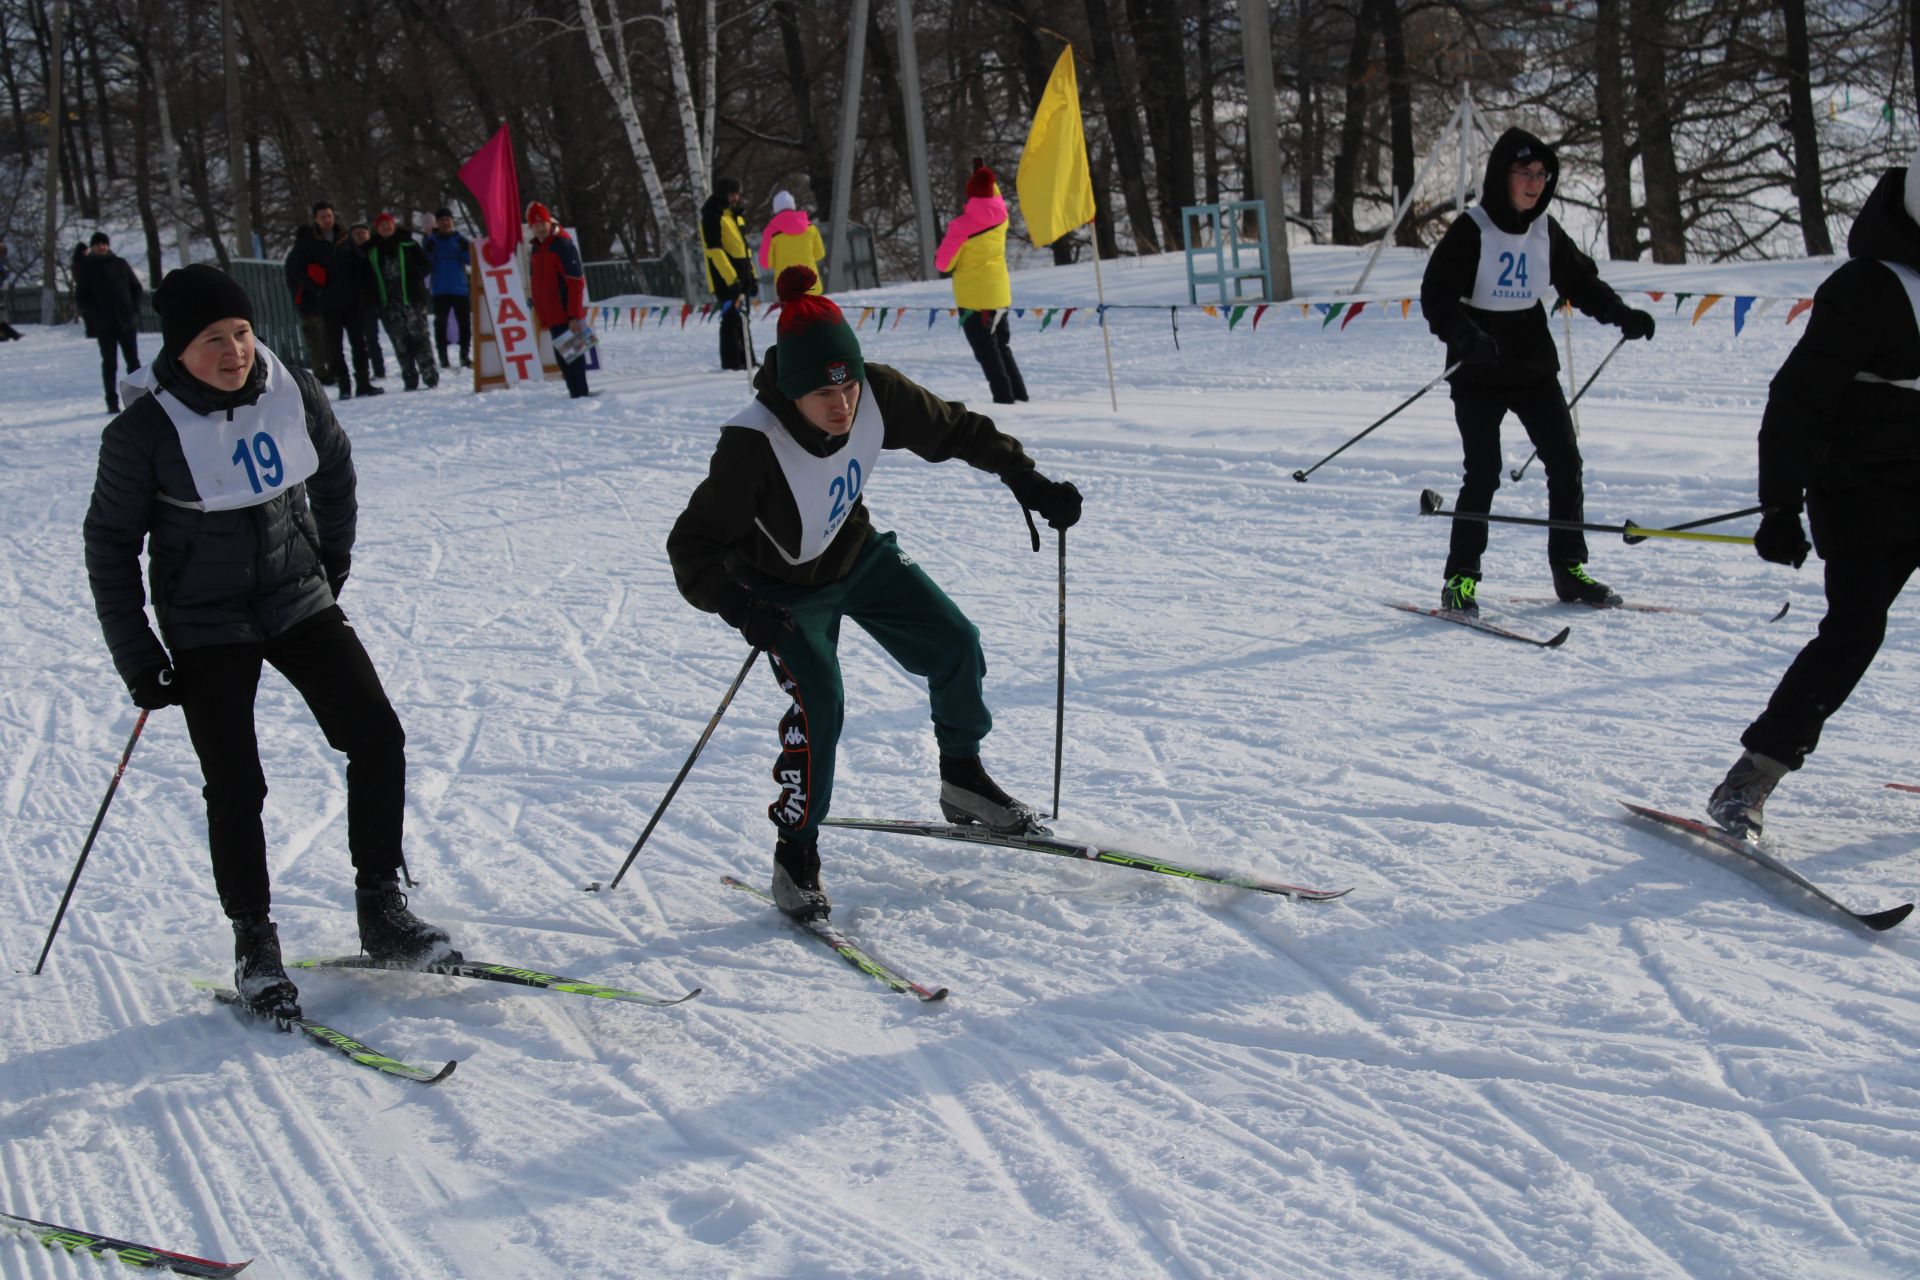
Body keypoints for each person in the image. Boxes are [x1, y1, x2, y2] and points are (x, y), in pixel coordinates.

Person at [82, 264, 453, 1022]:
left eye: (243, 334)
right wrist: (137, 653)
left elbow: (336, 466)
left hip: (295, 595)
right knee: (237, 782)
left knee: (376, 735)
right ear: (179, 352)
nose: (235, 352)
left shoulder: (291, 387)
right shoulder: (142, 433)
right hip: (205, 617)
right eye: (213, 340)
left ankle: (381, 907)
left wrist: (334, 554)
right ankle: (255, 942)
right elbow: (109, 545)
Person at [667, 265, 1083, 920]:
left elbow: (959, 430)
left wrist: (1029, 483)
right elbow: (690, 546)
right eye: (821, 392)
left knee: (955, 643)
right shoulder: (751, 446)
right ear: (790, 391)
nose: (842, 405)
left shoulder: (876, 392)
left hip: (856, 554)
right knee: (822, 705)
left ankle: (964, 778)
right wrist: (745, 609)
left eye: (848, 384)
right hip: (781, 592)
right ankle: (795, 851)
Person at [1706, 148, 1920, 839]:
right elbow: (1797, 399)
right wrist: (1778, 505)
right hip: (1861, 487)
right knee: (1857, 628)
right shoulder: (1868, 285)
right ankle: (1752, 777)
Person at [1419, 127, 1655, 613]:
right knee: (1482, 473)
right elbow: (1436, 296)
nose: (1534, 183)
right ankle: (1460, 578)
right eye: (1525, 173)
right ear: (1501, 175)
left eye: (1542, 175)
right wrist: (1465, 335)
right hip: (1479, 368)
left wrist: (1620, 314)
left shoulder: (1546, 230)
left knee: (1566, 463)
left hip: (1531, 366)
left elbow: (1581, 283)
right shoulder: (1473, 228)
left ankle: (1569, 569)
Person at [936, 159, 1027, 406]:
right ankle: (1019, 394)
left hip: (974, 299)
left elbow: (942, 264)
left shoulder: (962, 226)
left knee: (987, 352)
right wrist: (984, 174)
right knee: (1002, 347)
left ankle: (1005, 400)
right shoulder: (1002, 215)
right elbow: (990, 192)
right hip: (999, 294)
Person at [282, 201, 380, 400]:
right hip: (327, 304)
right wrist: (317, 290)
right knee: (334, 347)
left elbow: (360, 266)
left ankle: (363, 382)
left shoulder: (345, 238)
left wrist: (364, 292)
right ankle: (344, 385)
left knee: (359, 344)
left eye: (329, 215)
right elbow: (298, 270)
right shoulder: (309, 243)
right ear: (316, 219)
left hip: (352, 301)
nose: (327, 220)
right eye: (322, 217)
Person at [363, 212, 438, 391]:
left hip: (412, 300)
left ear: (393, 225)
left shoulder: (409, 244)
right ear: (377, 228)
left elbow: (427, 264)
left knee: (421, 338)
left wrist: (417, 277)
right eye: (382, 225)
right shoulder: (372, 250)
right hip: (390, 304)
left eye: (388, 224)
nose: (386, 228)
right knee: (400, 341)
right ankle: (409, 376)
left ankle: (429, 374)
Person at [73, 232, 145, 413]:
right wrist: (95, 315)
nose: (101, 247)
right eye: (98, 244)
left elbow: (136, 288)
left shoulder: (120, 263)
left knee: (134, 364)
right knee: (110, 365)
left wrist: (133, 308)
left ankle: (139, 401)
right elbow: (82, 297)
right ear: (93, 247)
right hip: (105, 326)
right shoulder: (87, 268)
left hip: (127, 323)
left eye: (104, 244)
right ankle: (112, 402)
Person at [526, 202, 590, 398]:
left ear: (549, 221)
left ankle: (580, 394)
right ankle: (574, 392)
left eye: (542, 223)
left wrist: (574, 314)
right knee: (563, 357)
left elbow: (575, 283)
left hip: (566, 312)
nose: (539, 228)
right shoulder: (536, 249)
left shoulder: (562, 245)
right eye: (535, 225)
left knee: (574, 357)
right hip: (550, 312)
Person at [700, 177, 754, 371]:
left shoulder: (735, 215)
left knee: (743, 318)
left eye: (737, 194)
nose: (736, 198)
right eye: (732, 194)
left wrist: (751, 275)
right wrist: (732, 279)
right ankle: (732, 362)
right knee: (731, 318)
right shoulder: (712, 216)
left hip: (741, 275)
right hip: (725, 278)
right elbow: (714, 250)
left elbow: (744, 249)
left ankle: (746, 358)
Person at [421, 208, 472, 369]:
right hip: (440, 290)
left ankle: (464, 355)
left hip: (460, 288)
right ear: (437, 223)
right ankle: (443, 358)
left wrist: (467, 249)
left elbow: (471, 261)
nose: (445, 223)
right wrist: (427, 250)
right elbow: (425, 262)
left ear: (452, 221)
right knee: (440, 324)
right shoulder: (432, 241)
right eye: (441, 220)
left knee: (465, 323)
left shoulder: (460, 240)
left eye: (447, 220)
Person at [758, 190, 825, 293]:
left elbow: (766, 263)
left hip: (787, 289)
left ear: (775, 209)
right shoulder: (810, 227)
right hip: (811, 285)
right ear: (793, 206)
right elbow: (819, 254)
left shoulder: (770, 231)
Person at [347, 223, 388, 382]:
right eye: (357, 234)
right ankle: (379, 370)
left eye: (364, 233)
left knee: (396, 336)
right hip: (363, 304)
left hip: (382, 299)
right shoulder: (350, 255)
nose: (361, 236)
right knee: (371, 340)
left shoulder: (377, 250)